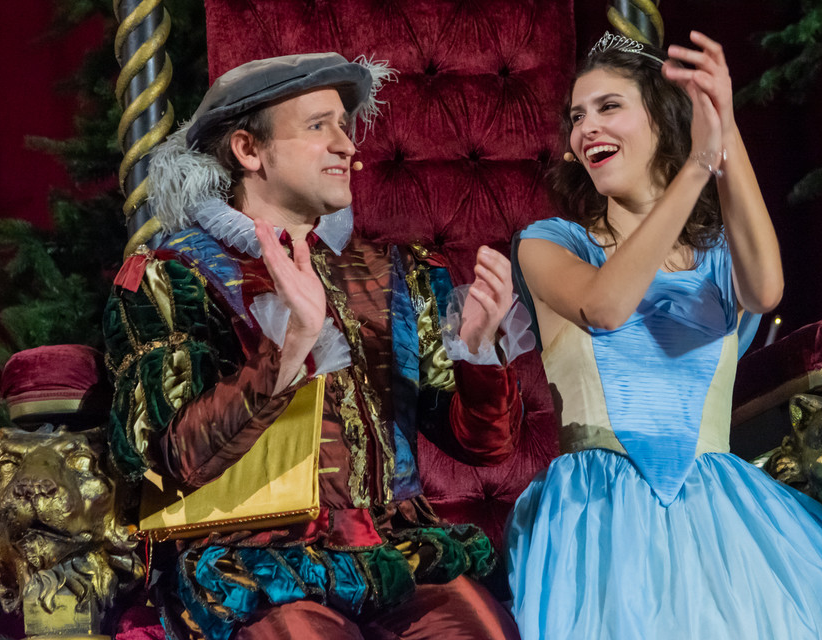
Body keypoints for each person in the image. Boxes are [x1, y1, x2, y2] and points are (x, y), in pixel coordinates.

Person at [104, 52, 531, 640]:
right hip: (257, 563)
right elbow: (176, 458)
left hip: (396, 553)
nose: (346, 146)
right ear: (249, 150)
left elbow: (484, 446)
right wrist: (290, 350)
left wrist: (478, 353)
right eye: (317, 126)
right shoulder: (173, 276)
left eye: (345, 126)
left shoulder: (395, 272)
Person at [505, 31, 822, 639]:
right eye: (577, 116)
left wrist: (725, 127)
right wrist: (696, 166)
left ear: (663, 123)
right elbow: (605, 308)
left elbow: (766, 291)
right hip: (599, 513)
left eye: (609, 107)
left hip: (722, 509)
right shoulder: (551, 243)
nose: (586, 128)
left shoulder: (718, 257)